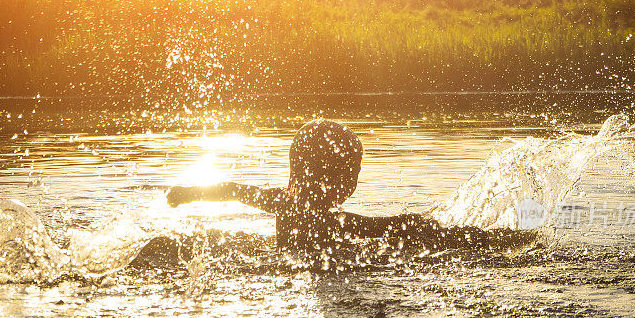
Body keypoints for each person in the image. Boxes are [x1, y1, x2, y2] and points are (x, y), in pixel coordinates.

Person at [166, 119, 534, 253]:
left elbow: (231, 189)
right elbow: (394, 226)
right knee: (411, 227)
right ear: (339, 180)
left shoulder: (281, 202)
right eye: (351, 171)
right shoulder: (333, 222)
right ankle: (490, 240)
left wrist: (187, 194)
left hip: (292, 268)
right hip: (335, 276)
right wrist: (485, 240)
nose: (354, 179)